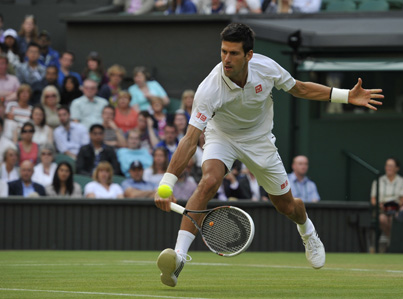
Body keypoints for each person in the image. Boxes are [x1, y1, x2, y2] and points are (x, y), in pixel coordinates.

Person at [154, 23, 383, 287]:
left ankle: (307, 230)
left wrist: (344, 96)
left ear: (249, 55)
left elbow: (299, 88)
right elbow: (191, 138)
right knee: (208, 181)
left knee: (286, 207)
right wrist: (166, 184)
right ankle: (179, 258)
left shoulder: (267, 68)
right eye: (223, 52)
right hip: (223, 137)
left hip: (259, 141)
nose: (226, 59)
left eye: (234, 53)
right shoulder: (209, 89)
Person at [370, 158, 403, 249]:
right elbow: (373, 199)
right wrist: (380, 206)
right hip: (381, 209)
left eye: (391, 166)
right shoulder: (378, 181)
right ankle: (391, 240)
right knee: (382, 219)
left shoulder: (402, 181)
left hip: (396, 208)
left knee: (393, 219)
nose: (388, 168)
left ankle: (389, 241)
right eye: (387, 165)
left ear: (397, 168)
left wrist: (395, 206)